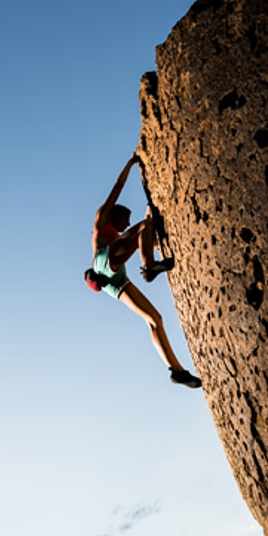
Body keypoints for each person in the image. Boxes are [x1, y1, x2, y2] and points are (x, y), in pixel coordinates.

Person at [87, 153, 202, 388]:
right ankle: (149, 266)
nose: (125, 225)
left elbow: (145, 239)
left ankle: (176, 370)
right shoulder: (102, 220)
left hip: (114, 281)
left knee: (154, 319)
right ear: (115, 215)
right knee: (144, 226)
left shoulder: (120, 237)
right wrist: (129, 165)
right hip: (102, 262)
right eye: (124, 221)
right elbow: (117, 188)